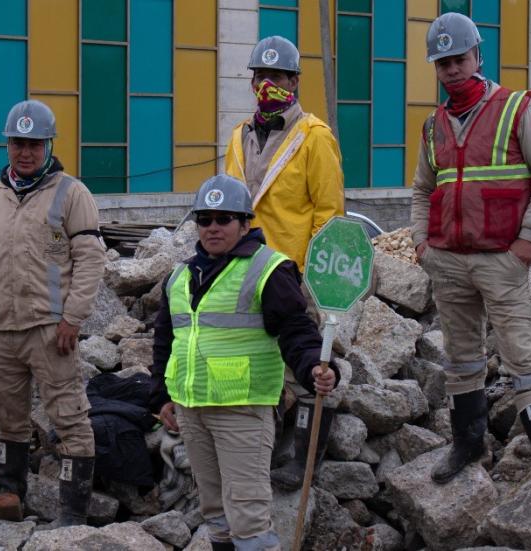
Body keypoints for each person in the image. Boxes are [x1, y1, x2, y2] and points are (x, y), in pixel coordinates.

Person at [410, 12, 531, 485]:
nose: (452, 70)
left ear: (478, 55)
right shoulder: (432, 125)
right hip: (449, 262)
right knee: (461, 358)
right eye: (442, 63)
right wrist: (422, 243)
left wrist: (527, 241)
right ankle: (467, 443)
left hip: (503, 258)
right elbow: (422, 189)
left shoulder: (520, 110)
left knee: (522, 353)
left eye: (458, 59)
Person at [150, 175, 336, 551]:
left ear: (245, 222)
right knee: (214, 507)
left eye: (224, 219)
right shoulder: (181, 275)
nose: (213, 228)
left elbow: (296, 329)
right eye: (205, 219)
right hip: (191, 408)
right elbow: (166, 341)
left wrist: (314, 365)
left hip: (242, 408)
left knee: (248, 512)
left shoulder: (268, 269)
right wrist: (160, 396)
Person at [0, 100, 105, 526]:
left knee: (70, 416)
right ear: (7, 145)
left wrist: (73, 319)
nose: (25, 152)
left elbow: (91, 260)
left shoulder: (71, 193)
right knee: (7, 416)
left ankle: (71, 513)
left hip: (49, 330)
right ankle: (9, 493)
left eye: (33, 144)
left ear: (48, 145)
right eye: (17, 143)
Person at [224, 35, 345, 491]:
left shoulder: (314, 138)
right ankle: (271, 446)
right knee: (261, 364)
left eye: (277, 76)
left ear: (295, 81)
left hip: (291, 273)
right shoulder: (239, 136)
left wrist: (308, 275)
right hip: (246, 271)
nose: (267, 84)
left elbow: (328, 213)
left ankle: (305, 458)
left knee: (310, 364)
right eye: (261, 76)